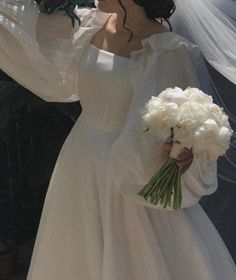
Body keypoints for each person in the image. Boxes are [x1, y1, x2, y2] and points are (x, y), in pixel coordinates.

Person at [0, 0, 236, 279]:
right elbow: (22, 27)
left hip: (133, 170)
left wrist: (184, 150)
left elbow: (179, 121)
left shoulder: (167, 49)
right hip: (80, 159)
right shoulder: (90, 24)